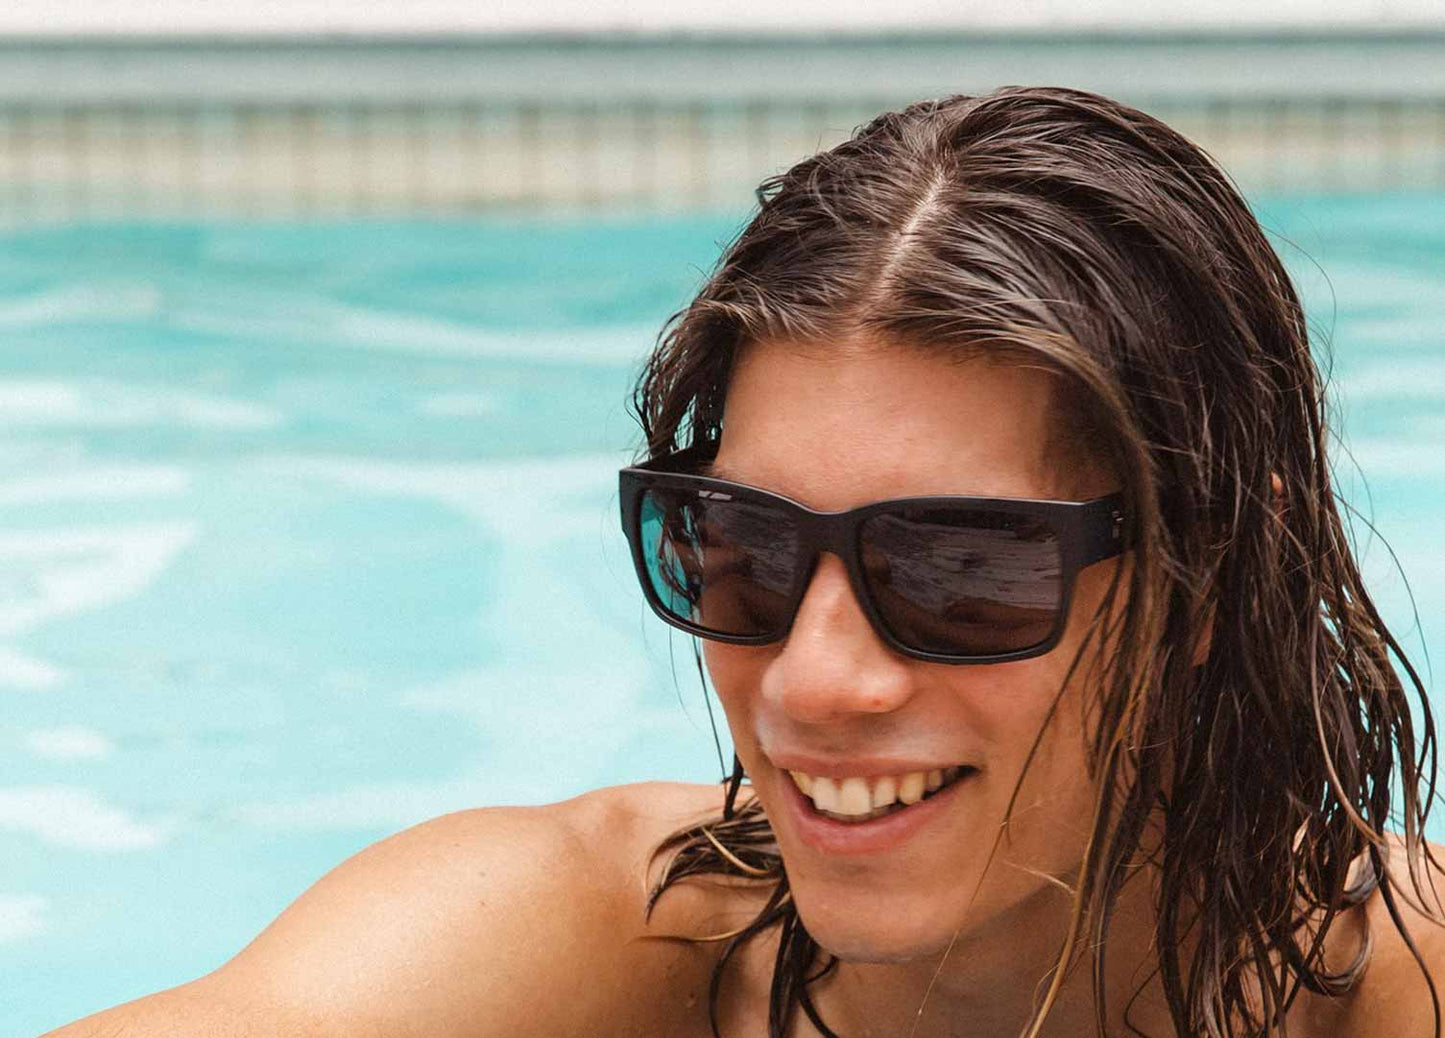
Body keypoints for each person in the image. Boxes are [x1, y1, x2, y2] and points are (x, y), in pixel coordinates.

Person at [48, 86, 1445, 1038]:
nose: (812, 682)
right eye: (742, 550)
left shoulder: (1401, 989)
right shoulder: (578, 952)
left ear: (1204, 575)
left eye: (959, 569)